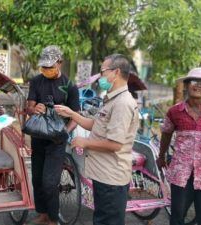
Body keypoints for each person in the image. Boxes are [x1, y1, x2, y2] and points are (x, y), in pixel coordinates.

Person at [55, 54, 139, 225]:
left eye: (102, 72)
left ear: (115, 72)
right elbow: (96, 125)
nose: (100, 77)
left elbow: (115, 144)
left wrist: (84, 142)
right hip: (104, 175)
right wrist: (72, 114)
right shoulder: (111, 99)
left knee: (107, 220)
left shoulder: (122, 103)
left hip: (112, 178)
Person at [156, 67, 201, 225]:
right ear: (187, 84)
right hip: (181, 175)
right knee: (177, 218)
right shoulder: (174, 111)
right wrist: (161, 156)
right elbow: (166, 134)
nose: (198, 85)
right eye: (194, 81)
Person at [26, 45, 80, 225]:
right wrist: (35, 109)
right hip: (38, 137)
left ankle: (53, 219)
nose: (47, 70)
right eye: (44, 66)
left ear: (60, 63)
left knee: (50, 183)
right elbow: (29, 107)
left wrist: (65, 132)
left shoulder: (70, 86)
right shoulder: (36, 81)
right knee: (37, 179)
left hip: (56, 141)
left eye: (50, 66)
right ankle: (42, 214)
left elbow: (75, 116)